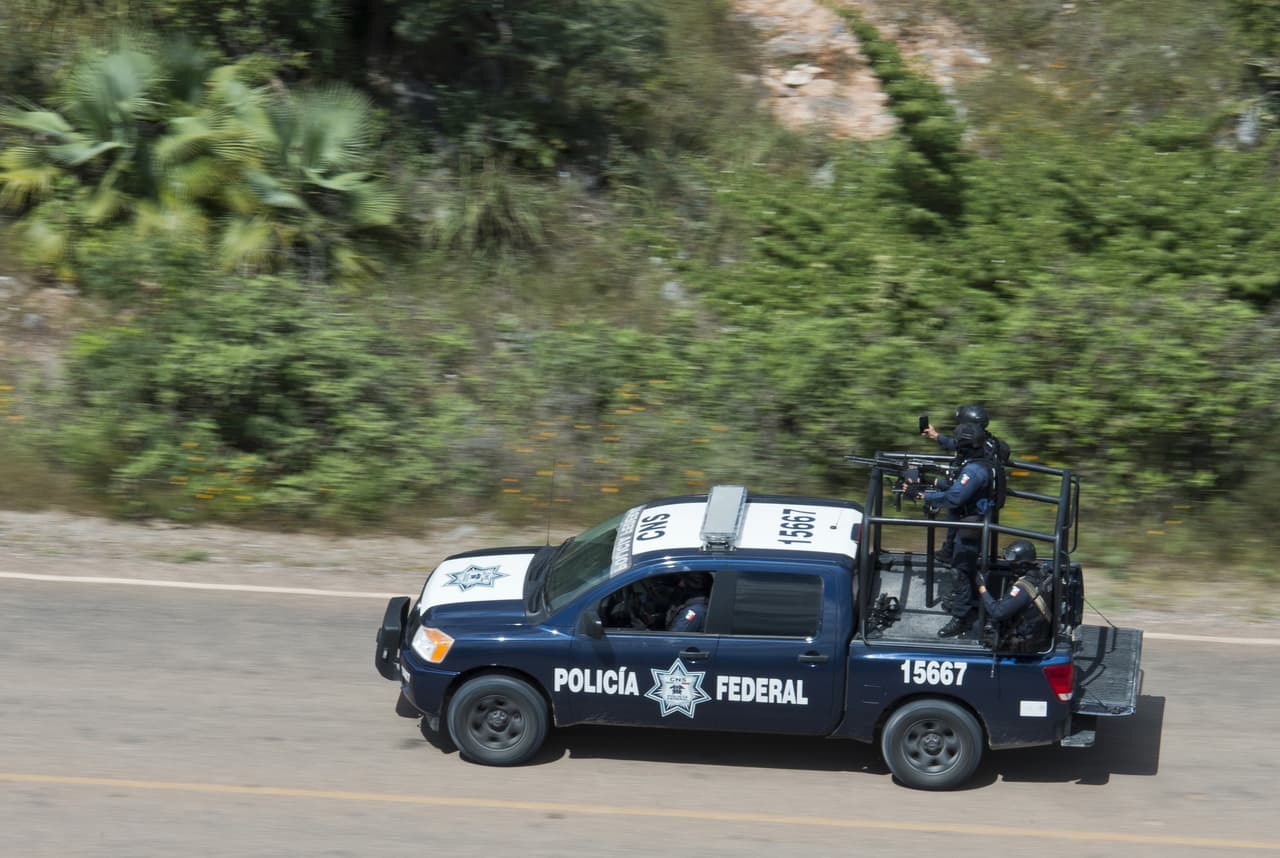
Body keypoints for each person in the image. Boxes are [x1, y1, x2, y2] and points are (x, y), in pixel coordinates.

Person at [920, 421, 1000, 638]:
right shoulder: (985, 455)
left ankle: (961, 617)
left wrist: (924, 495)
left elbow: (955, 497)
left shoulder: (974, 470)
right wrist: (934, 482)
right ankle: (968, 603)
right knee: (964, 567)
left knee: (961, 570)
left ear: (965, 446)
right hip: (977, 519)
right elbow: (959, 488)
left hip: (971, 525)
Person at [977, 539, 1055, 651]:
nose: (1011, 566)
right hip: (1038, 636)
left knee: (976, 625)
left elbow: (997, 612)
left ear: (1023, 565)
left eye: (1013, 564)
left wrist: (982, 587)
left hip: (1024, 644)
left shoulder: (1023, 587)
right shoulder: (1041, 576)